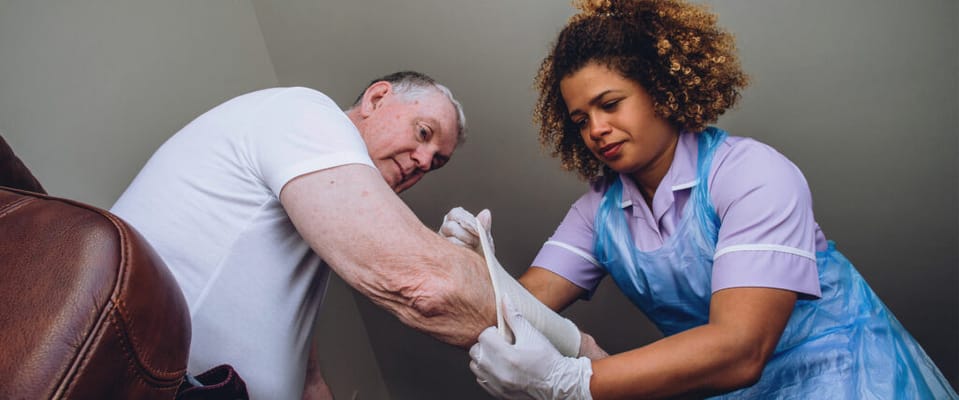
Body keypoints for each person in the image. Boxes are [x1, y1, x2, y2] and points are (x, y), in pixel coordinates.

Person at [442, 1, 959, 398]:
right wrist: (473, 266)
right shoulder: (597, 213)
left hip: (849, 378)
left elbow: (741, 349)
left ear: (661, 89)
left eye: (610, 104)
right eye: (580, 120)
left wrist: (574, 383)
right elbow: (523, 307)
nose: (596, 129)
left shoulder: (753, 174)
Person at [110, 71, 499, 399]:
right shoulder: (306, 113)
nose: (424, 160)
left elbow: (302, 359)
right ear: (377, 98)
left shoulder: (317, 208)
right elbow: (424, 287)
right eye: (423, 132)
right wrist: (468, 272)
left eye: (437, 162)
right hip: (151, 382)